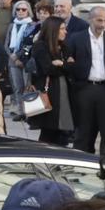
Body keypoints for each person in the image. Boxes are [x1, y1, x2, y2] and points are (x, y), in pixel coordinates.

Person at [66, 6, 105, 154]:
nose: (102, 24)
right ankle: (81, 162)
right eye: (99, 20)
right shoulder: (77, 38)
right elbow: (69, 62)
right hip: (84, 89)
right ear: (90, 19)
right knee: (83, 130)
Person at [26, 13, 74, 147]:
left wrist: (62, 64)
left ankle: (59, 160)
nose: (66, 31)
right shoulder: (40, 46)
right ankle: (44, 158)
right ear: (53, 30)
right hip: (49, 92)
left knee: (62, 130)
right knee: (49, 131)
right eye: (62, 29)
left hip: (64, 91)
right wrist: (64, 65)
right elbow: (48, 69)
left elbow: (73, 67)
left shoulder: (63, 46)